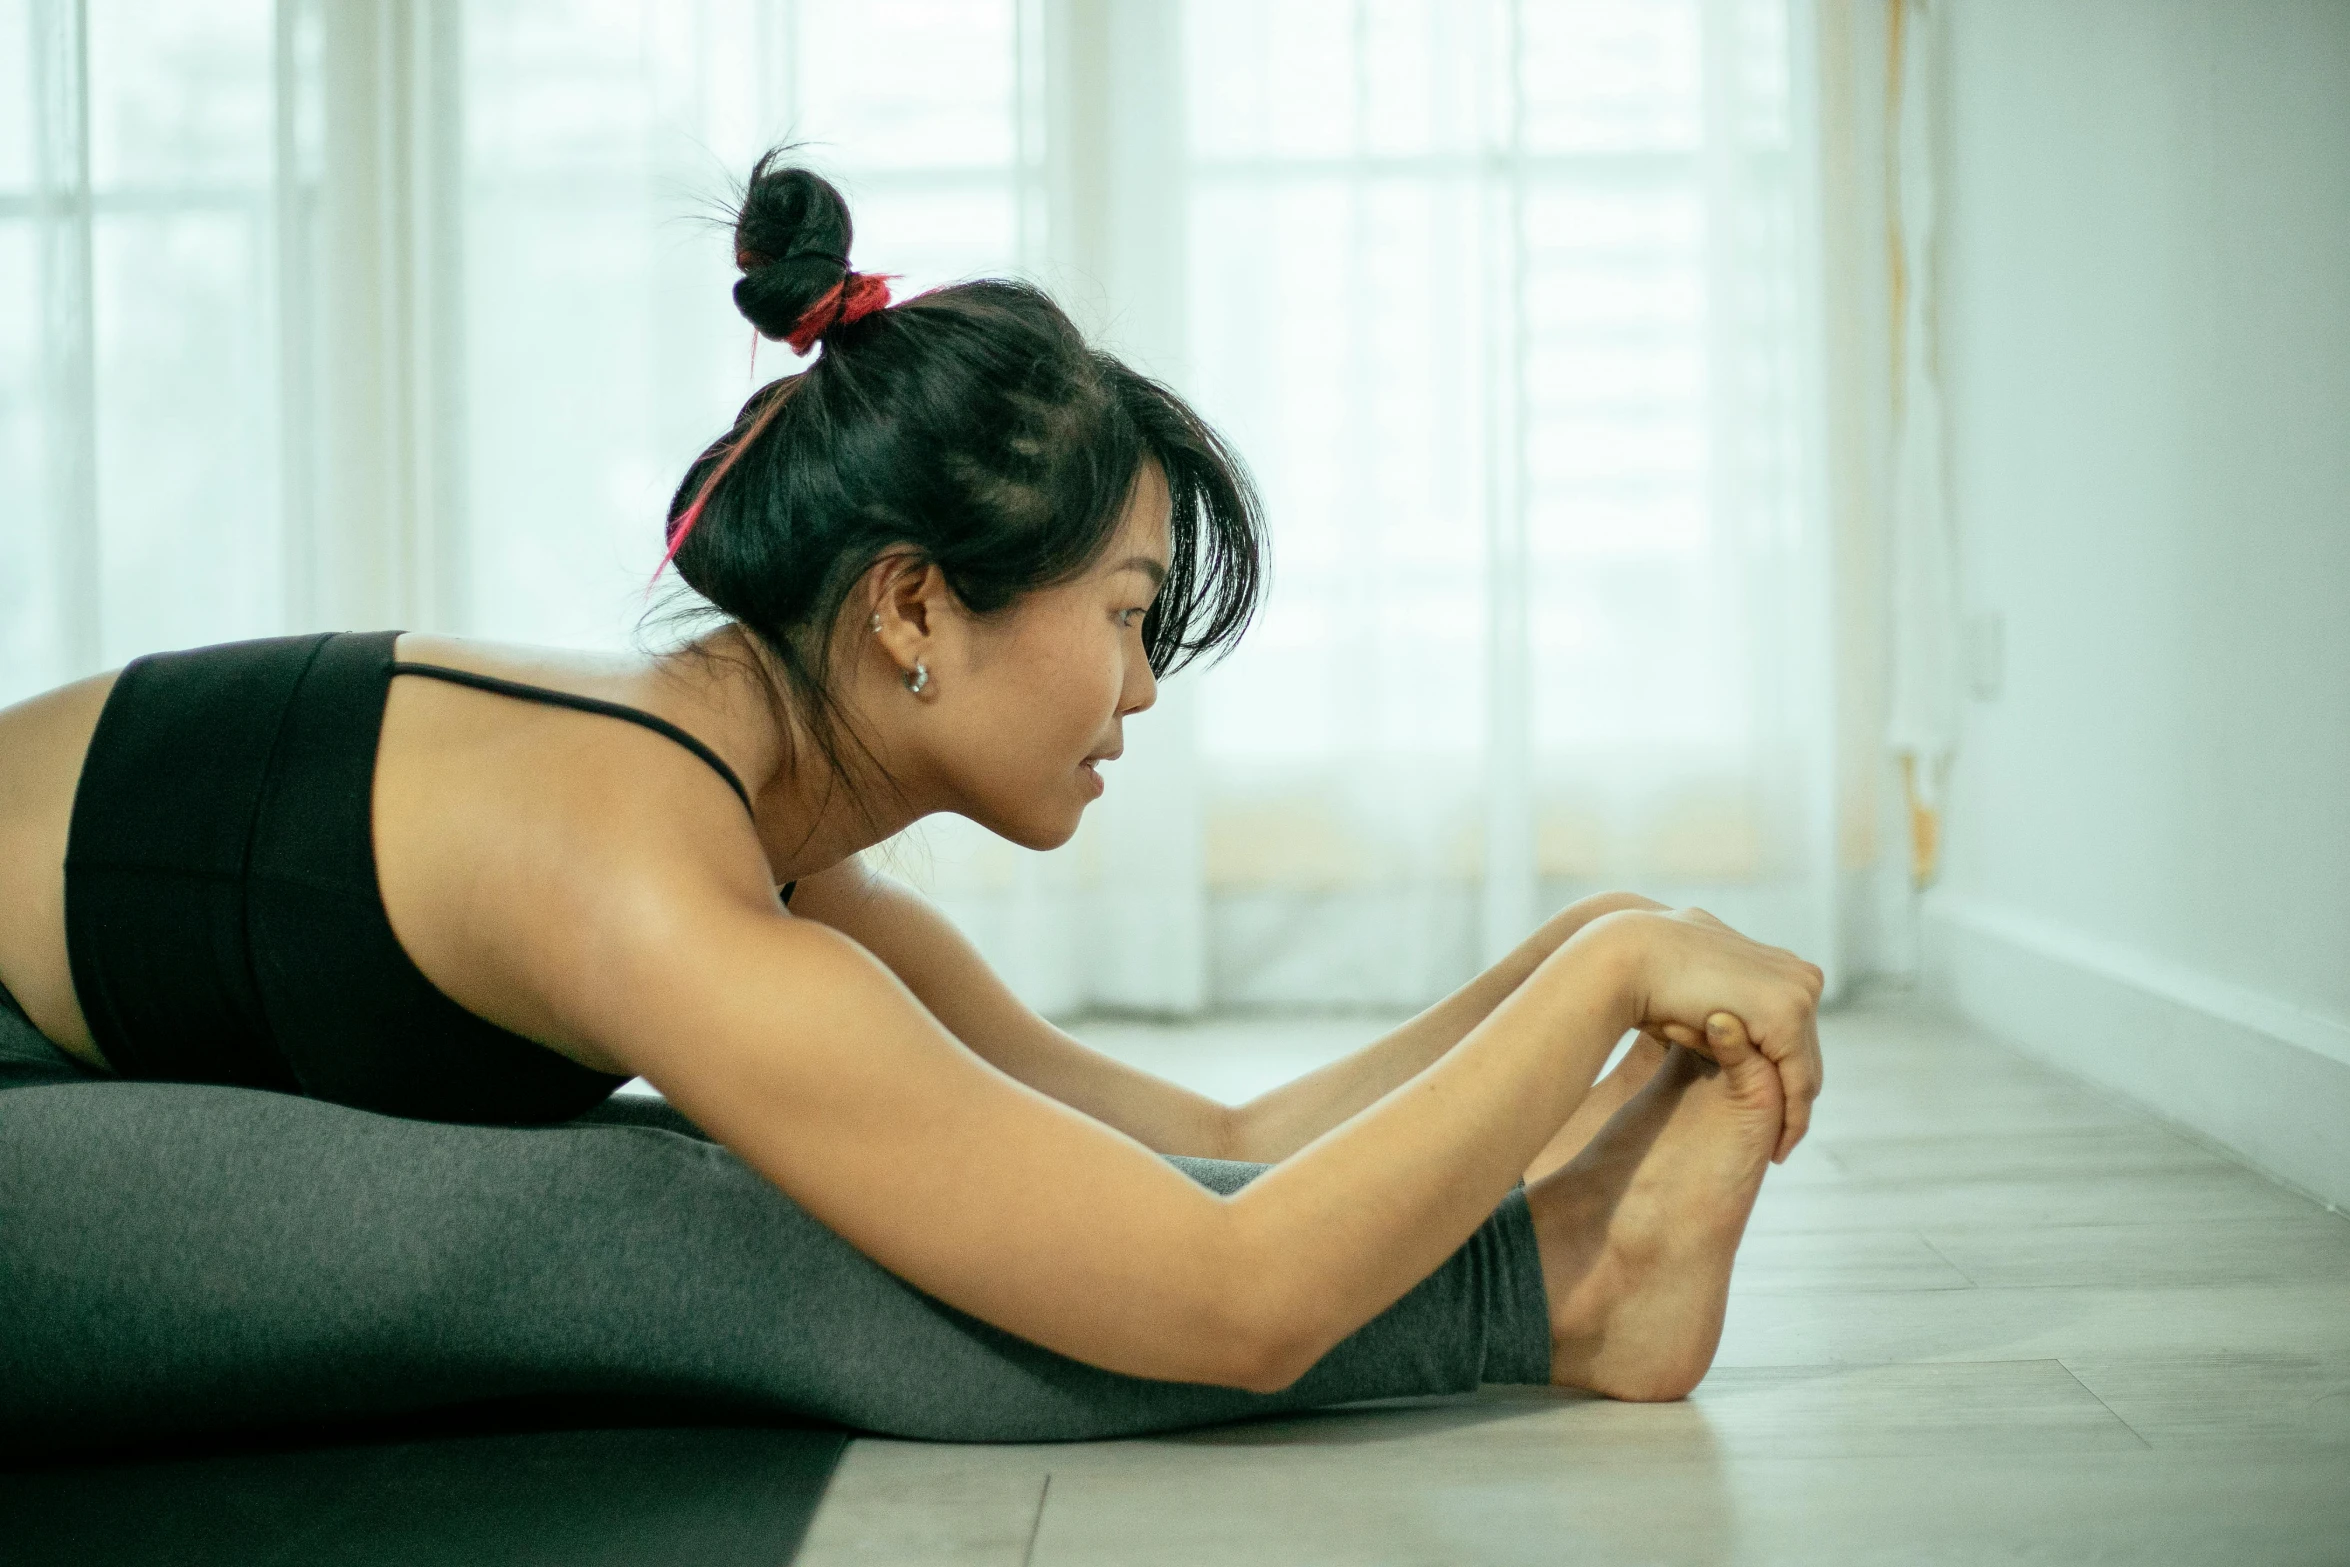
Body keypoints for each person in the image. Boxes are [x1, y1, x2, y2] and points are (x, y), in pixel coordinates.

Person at [0, 152, 1824, 1457]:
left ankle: (1560, 1268)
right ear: (909, 608)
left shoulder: (732, 810)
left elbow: (1206, 1131)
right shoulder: (639, 876)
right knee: (682, 1223)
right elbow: (1227, 1291)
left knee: (864, 1180)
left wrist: (1578, 948)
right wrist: (1603, 997)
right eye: (1123, 616)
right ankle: (1559, 1289)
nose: (1142, 688)